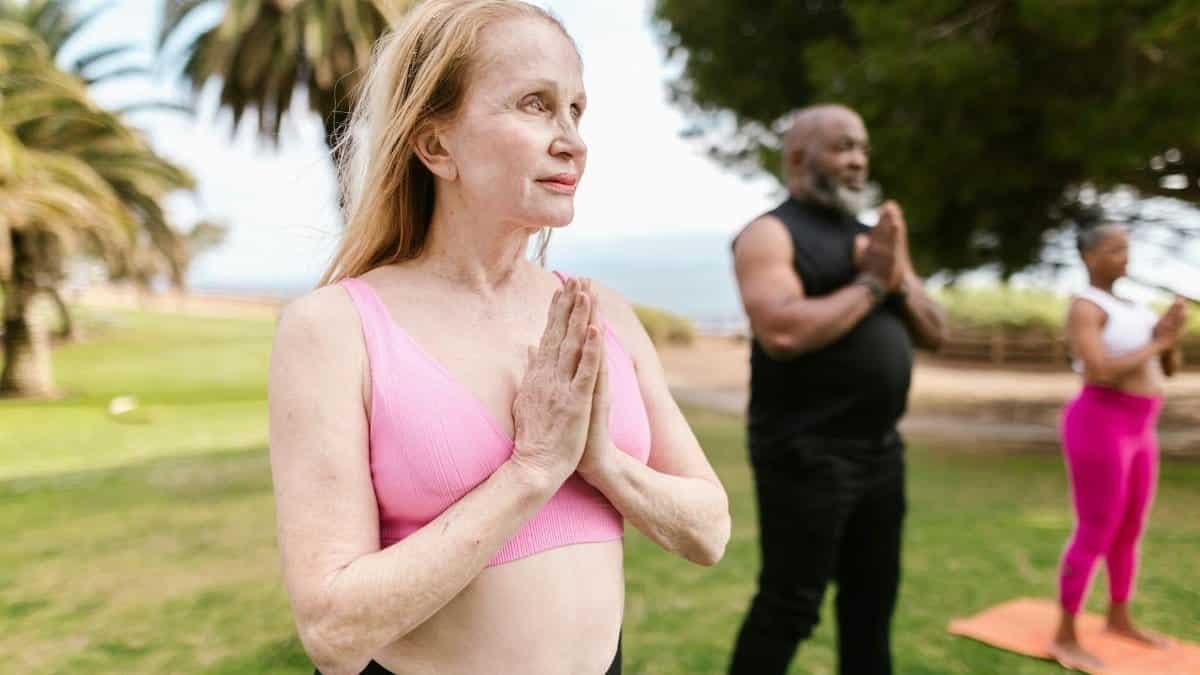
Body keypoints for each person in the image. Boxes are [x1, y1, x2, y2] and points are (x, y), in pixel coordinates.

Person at [266, 2, 731, 673]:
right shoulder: (333, 329)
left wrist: (602, 462)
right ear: (435, 145)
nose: (572, 138)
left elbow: (710, 530)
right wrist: (533, 470)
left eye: (576, 109)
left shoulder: (606, 316)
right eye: (535, 105)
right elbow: (333, 632)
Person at [727, 104, 947, 675]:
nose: (858, 161)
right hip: (806, 450)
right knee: (790, 606)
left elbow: (936, 331)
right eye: (843, 147)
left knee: (872, 607)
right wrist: (874, 283)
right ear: (800, 157)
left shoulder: (877, 239)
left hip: (881, 452)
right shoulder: (769, 234)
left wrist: (895, 277)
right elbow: (781, 330)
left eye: (863, 149)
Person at [1050, 222, 1188, 671]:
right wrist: (1157, 342)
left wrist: (1170, 336)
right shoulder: (1086, 308)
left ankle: (1118, 617)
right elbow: (1100, 371)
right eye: (1113, 249)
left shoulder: (1136, 305)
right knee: (1096, 527)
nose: (1123, 257)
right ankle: (1065, 634)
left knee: (1129, 528)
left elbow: (1168, 367)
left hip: (1140, 428)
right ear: (1090, 256)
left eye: (1126, 249)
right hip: (1099, 423)